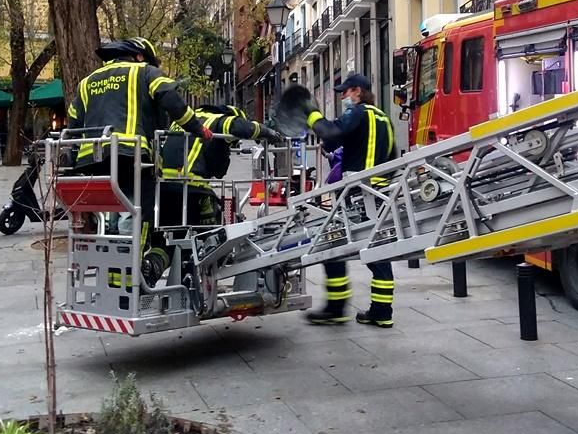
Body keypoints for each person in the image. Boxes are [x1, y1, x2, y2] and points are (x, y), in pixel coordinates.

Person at [66, 37, 212, 286]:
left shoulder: (87, 82)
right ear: (140, 56)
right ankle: (126, 280)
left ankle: (109, 275)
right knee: (136, 213)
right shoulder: (145, 72)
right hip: (131, 156)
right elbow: (170, 98)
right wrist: (199, 128)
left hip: (91, 159)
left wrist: (73, 163)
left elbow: (73, 122)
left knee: (108, 216)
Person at [299, 73, 398, 328]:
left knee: (331, 244)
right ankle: (382, 311)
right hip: (379, 194)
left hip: (356, 195)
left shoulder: (359, 112)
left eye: (345, 92)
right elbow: (391, 156)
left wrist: (312, 114)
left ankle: (336, 308)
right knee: (378, 250)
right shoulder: (384, 118)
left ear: (357, 91)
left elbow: (331, 134)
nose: (343, 97)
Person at [159, 104, 285, 226]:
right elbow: (242, 127)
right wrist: (267, 132)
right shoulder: (218, 119)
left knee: (170, 232)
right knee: (209, 228)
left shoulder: (181, 122)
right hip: (192, 188)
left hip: (163, 187)